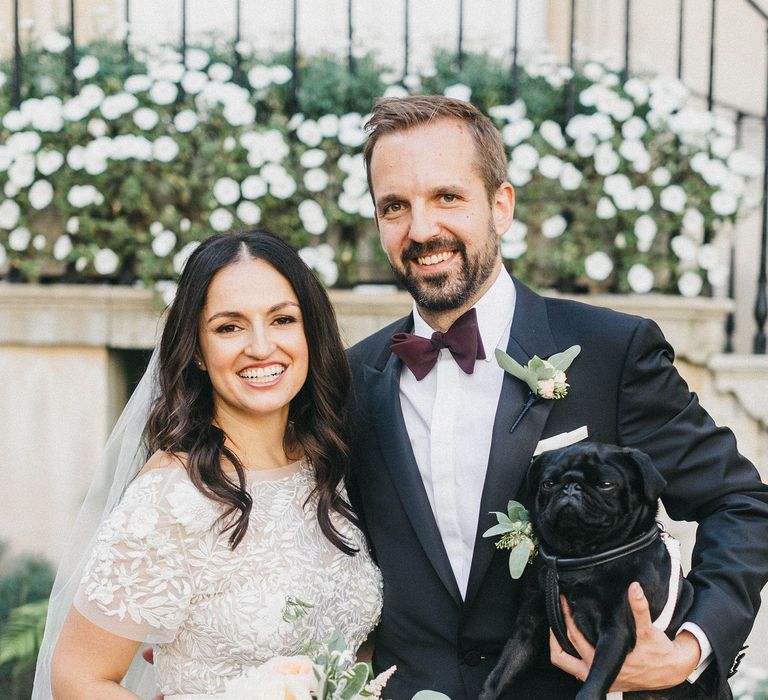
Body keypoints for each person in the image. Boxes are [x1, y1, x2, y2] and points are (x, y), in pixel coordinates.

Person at [345, 95, 768, 700]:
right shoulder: (349, 380)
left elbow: (742, 503)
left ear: (501, 205)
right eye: (395, 206)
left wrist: (690, 648)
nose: (421, 229)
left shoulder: (611, 351)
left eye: (447, 197)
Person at [35, 230, 382, 698]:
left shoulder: (328, 465)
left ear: (309, 331)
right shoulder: (172, 500)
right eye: (229, 327)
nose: (261, 347)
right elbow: (78, 677)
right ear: (197, 349)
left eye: (282, 319)